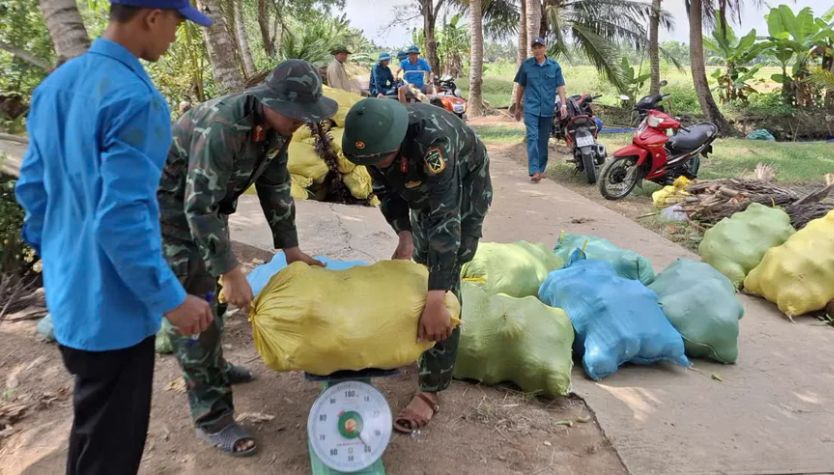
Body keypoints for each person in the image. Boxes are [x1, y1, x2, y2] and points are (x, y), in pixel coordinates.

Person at [15, 0, 215, 475]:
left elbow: (33, 191)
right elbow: (121, 220)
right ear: (152, 17)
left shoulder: (57, 86)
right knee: (112, 450)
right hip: (114, 311)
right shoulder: (137, 100)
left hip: (69, 297)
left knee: (93, 428)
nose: (175, 35)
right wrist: (173, 300)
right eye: (176, 22)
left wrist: (62, 258)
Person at [157, 59, 337, 457]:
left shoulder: (277, 125)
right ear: (271, 101)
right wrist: (230, 272)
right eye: (295, 114)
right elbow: (197, 208)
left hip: (206, 211)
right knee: (198, 306)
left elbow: (275, 185)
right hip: (169, 213)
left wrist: (291, 249)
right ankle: (213, 417)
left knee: (213, 303)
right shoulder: (224, 127)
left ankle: (214, 369)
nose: (301, 122)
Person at [342, 99, 492, 434]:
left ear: (397, 142)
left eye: (382, 159)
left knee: (446, 271)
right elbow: (387, 192)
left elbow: (446, 221)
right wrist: (404, 236)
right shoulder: (373, 147)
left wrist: (436, 298)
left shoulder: (433, 144)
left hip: (464, 183)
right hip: (422, 186)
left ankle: (432, 388)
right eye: (372, 162)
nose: (377, 165)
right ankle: (424, 334)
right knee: (421, 261)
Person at [513, 37, 567, 183]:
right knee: (532, 137)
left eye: (540, 46)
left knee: (543, 140)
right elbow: (521, 87)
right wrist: (518, 107)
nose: (537, 50)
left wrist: (563, 105)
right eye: (535, 47)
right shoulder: (526, 66)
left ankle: (541, 170)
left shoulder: (554, 66)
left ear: (545, 48)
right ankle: (534, 170)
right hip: (531, 108)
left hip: (547, 109)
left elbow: (560, 86)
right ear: (532, 50)